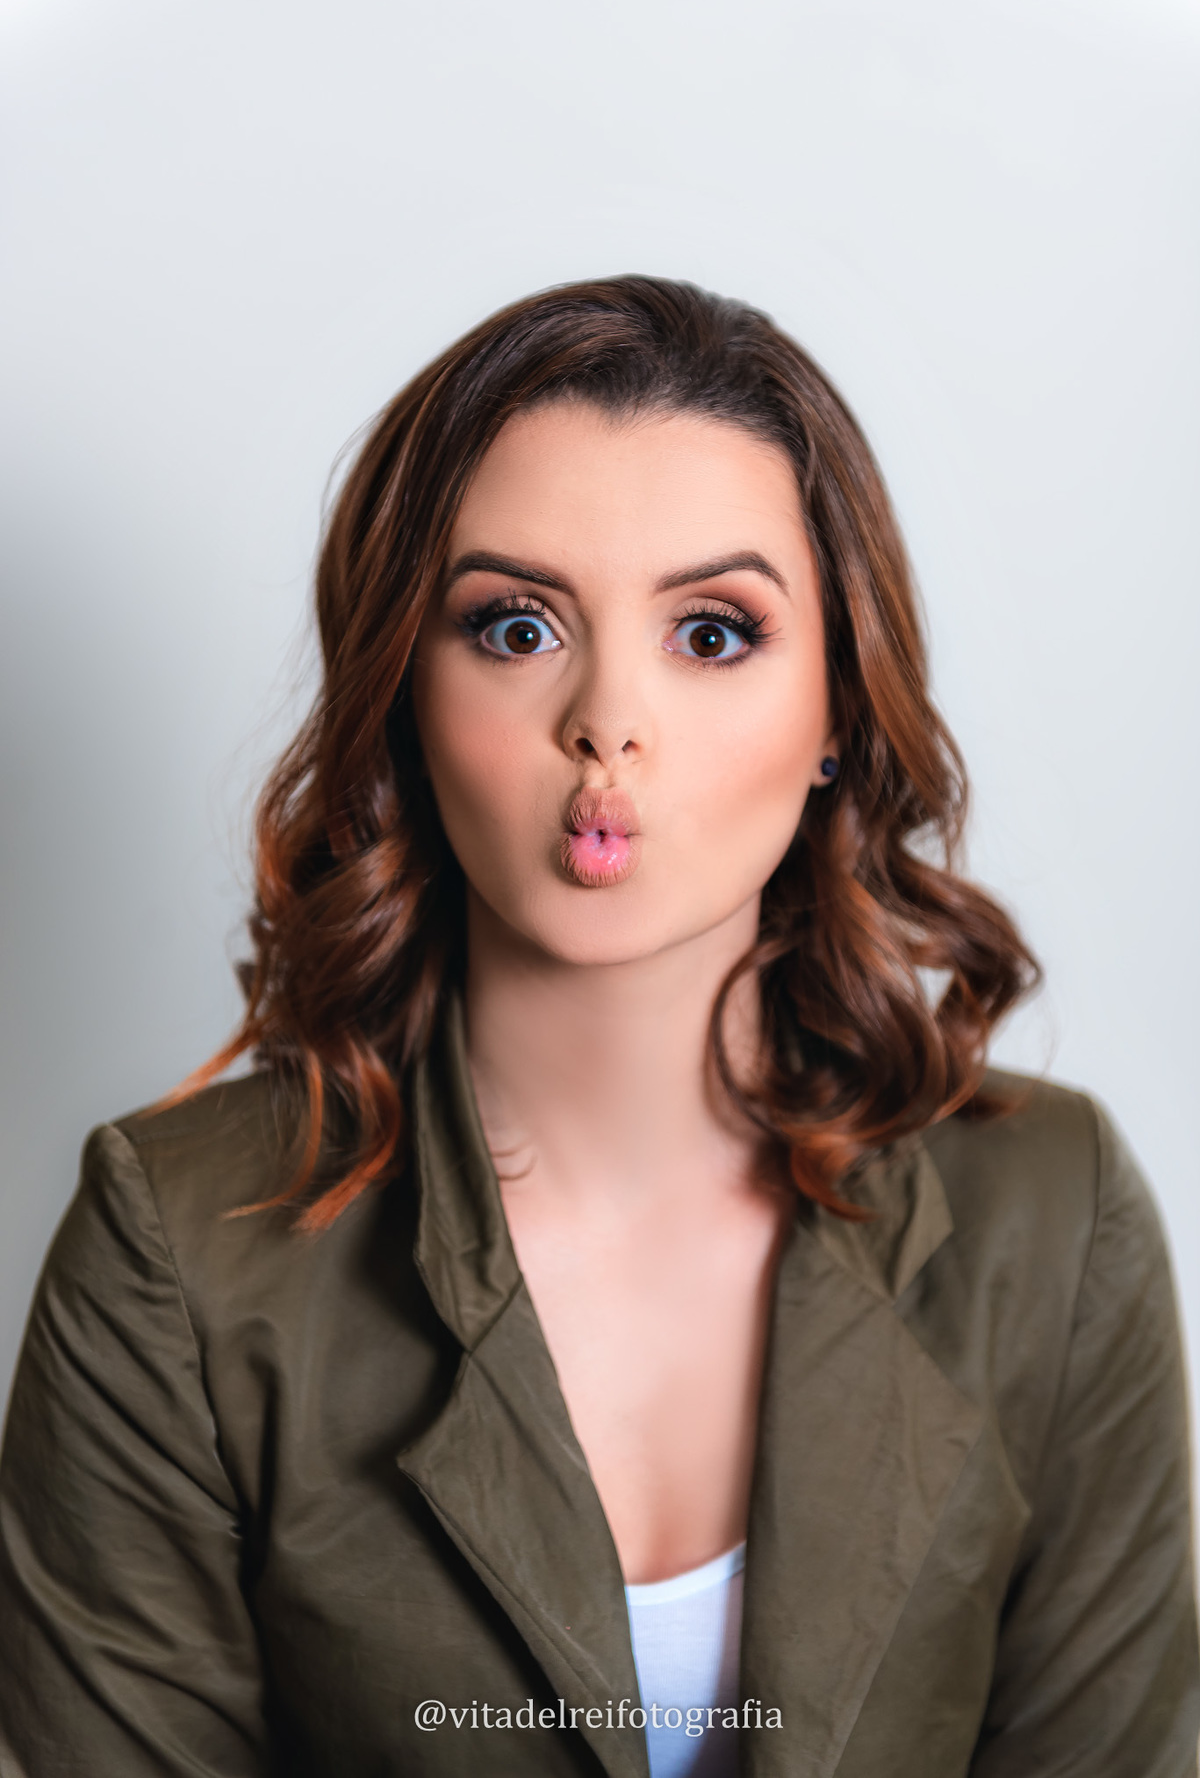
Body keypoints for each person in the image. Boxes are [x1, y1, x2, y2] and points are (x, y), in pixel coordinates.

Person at [0, 276, 1195, 1778]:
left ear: (839, 706)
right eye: (515, 626)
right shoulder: (175, 1247)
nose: (606, 720)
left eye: (713, 632)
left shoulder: (1053, 1217)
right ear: (402, 690)